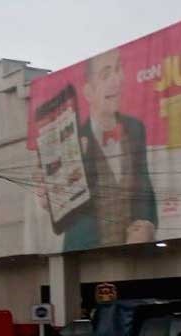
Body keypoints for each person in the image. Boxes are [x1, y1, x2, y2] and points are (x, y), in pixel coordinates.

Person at [56, 48, 157, 251]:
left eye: (119, 69)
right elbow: (64, 213)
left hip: (134, 257)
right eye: (105, 75)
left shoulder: (136, 129)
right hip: (86, 258)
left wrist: (148, 225)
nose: (117, 79)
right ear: (89, 92)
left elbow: (145, 188)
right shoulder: (70, 141)